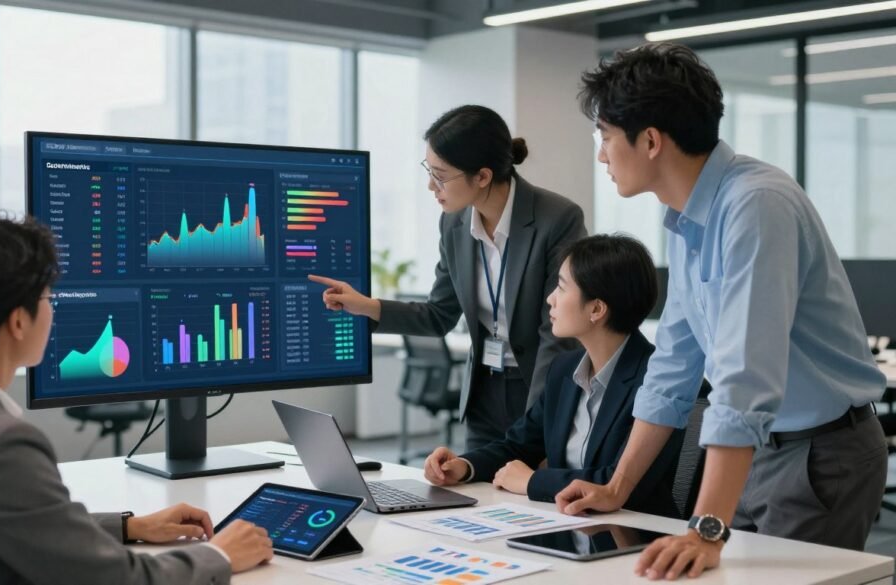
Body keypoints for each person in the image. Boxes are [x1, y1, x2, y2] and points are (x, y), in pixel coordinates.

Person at [555, 43, 888, 580]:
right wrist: (619, 488)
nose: (601, 155)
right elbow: (674, 366)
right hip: (754, 452)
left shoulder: (755, 205)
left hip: (820, 457)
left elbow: (743, 378)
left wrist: (707, 527)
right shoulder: (687, 218)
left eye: (606, 138)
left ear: (651, 141)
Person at [0, 212, 274, 585]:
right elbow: (118, 580)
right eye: (47, 297)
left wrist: (128, 527)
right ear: (17, 321)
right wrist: (219, 555)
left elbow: (4, 521)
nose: (52, 310)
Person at [310, 104, 586, 449]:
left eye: (440, 174)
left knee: (532, 496)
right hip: (484, 392)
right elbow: (438, 315)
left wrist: (538, 422)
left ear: (482, 176)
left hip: (536, 388)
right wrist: (367, 306)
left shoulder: (556, 219)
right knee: (479, 494)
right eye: (429, 170)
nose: (430, 185)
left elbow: (557, 336)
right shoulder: (454, 224)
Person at [423, 234, 683, 519]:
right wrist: (463, 466)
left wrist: (532, 481)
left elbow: (619, 482)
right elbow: (519, 445)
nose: (550, 299)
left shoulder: (657, 383)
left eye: (561, 287)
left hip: (634, 534)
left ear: (596, 309)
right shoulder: (564, 369)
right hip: (568, 523)